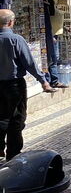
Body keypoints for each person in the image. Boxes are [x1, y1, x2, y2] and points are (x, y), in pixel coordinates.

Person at [0, 9, 54, 160]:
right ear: (11, 22)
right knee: (16, 119)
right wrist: (43, 81)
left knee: (1, 117)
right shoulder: (16, 39)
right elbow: (29, 63)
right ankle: (13, 154)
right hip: (14, 85)